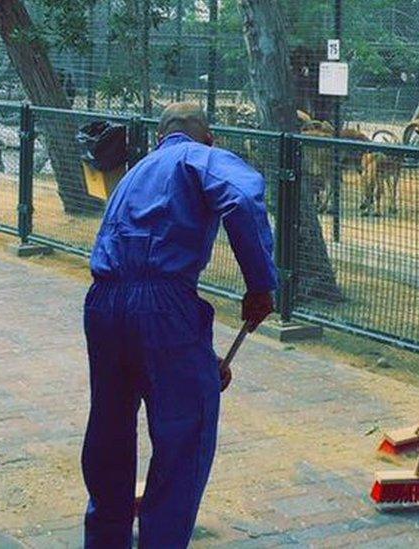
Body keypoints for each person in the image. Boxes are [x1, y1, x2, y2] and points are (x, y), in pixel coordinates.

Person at [81, 103, 277, 548]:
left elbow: (137, 290)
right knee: (184, 434)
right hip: (162, 304)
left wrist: (203, 362)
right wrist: (260, 285)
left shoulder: (135, 173)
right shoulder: (200, 157)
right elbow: (243, 197)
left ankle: (104, 540)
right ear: (210, 138)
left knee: (109, 429)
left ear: (157, 138)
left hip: (104, 302)